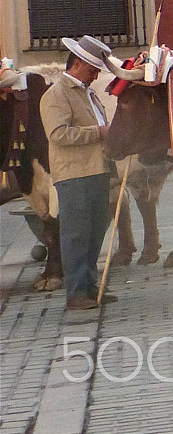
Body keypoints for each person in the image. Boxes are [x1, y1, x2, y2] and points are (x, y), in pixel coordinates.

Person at [40, 36, 118, 310]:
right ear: (78, 63)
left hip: (97, 170)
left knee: (95, 232)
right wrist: (99, 133)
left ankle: (89, 287)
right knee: (76, 234)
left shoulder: (88, 92)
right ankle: (75, 293)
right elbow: (58, 135)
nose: (96, 75)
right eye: (93, 68)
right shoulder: (56, 95)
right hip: (74, 175)